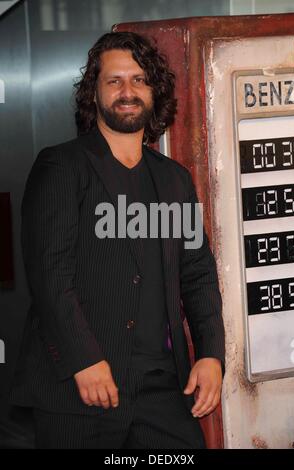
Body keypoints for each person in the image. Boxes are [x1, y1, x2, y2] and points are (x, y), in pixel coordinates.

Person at [10, 31, 225, 449]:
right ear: (95, 92)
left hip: (161, 388)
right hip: (80, 389)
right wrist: (83, 359)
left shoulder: (173, 179)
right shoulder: (61, 166)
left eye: (139, 79)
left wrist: (210, 354)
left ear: (154, 90)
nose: (127, 91)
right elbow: (50, 274)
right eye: (114, 81)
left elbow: (198, 274)